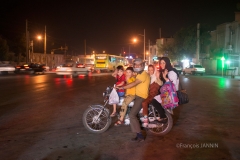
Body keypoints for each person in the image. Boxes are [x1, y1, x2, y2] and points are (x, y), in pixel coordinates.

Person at [116, 58, 150, 142]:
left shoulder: (143, 74)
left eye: (139, 64)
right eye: (136, 65)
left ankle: (140, 136)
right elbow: (129, 79)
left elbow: (133, 83)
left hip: (141, 97)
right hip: (136, 96)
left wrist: (122, 87)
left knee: (132, 115)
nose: (137, 66)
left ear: (142, 65)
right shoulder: (138, 74)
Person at [152, 57, 179, 121]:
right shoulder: (166, 71)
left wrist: (164, 77)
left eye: (164, 63)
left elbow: (173, 84)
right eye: (161, 63)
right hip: (168, 92)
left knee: (154, 101)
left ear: (167, 63)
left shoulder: (171, 72)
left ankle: (163, 116)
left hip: (171, 93)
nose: (162, 65)